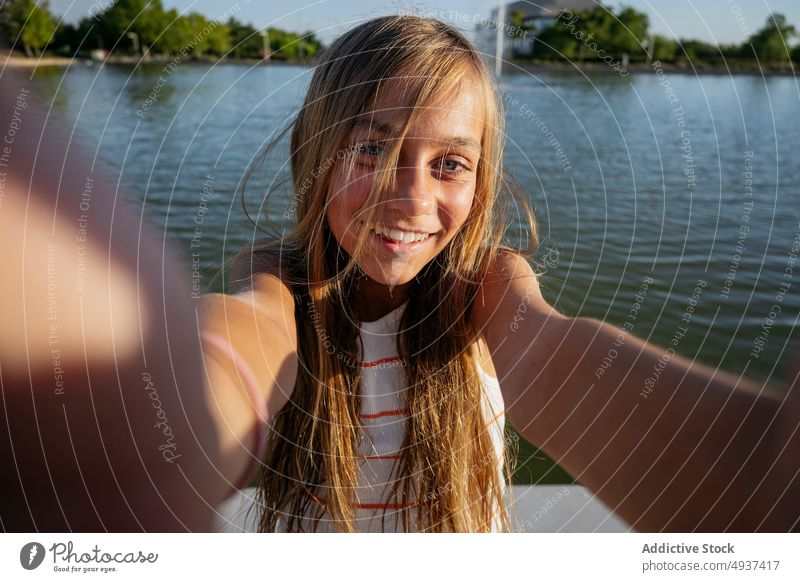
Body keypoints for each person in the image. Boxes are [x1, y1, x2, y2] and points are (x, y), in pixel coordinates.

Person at [1, 15, 798, 533]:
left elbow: (554, 357)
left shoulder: (488, 290)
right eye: (373, 148)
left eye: (449, 163)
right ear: (317, 155)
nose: (410, 196)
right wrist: (144, 430)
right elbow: (242, 345)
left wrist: (766, 474)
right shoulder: (279, 281)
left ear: (480, 183)